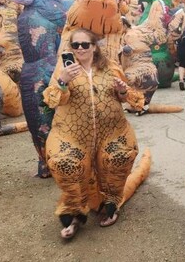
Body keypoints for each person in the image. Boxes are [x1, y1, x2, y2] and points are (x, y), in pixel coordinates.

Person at [43, 28, 139, 239]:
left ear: (94, 47)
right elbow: (52, 100)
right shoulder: (65, 69)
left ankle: (111, 204)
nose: (80, 49)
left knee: (118, 158)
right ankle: (74, 214)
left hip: (111, 131)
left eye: (84, 45)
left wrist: (122, 91)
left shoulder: (110, 68)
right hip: (73, 133)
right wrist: (63, 81)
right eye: (75, 45)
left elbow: (128, 98)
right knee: (65, 163)